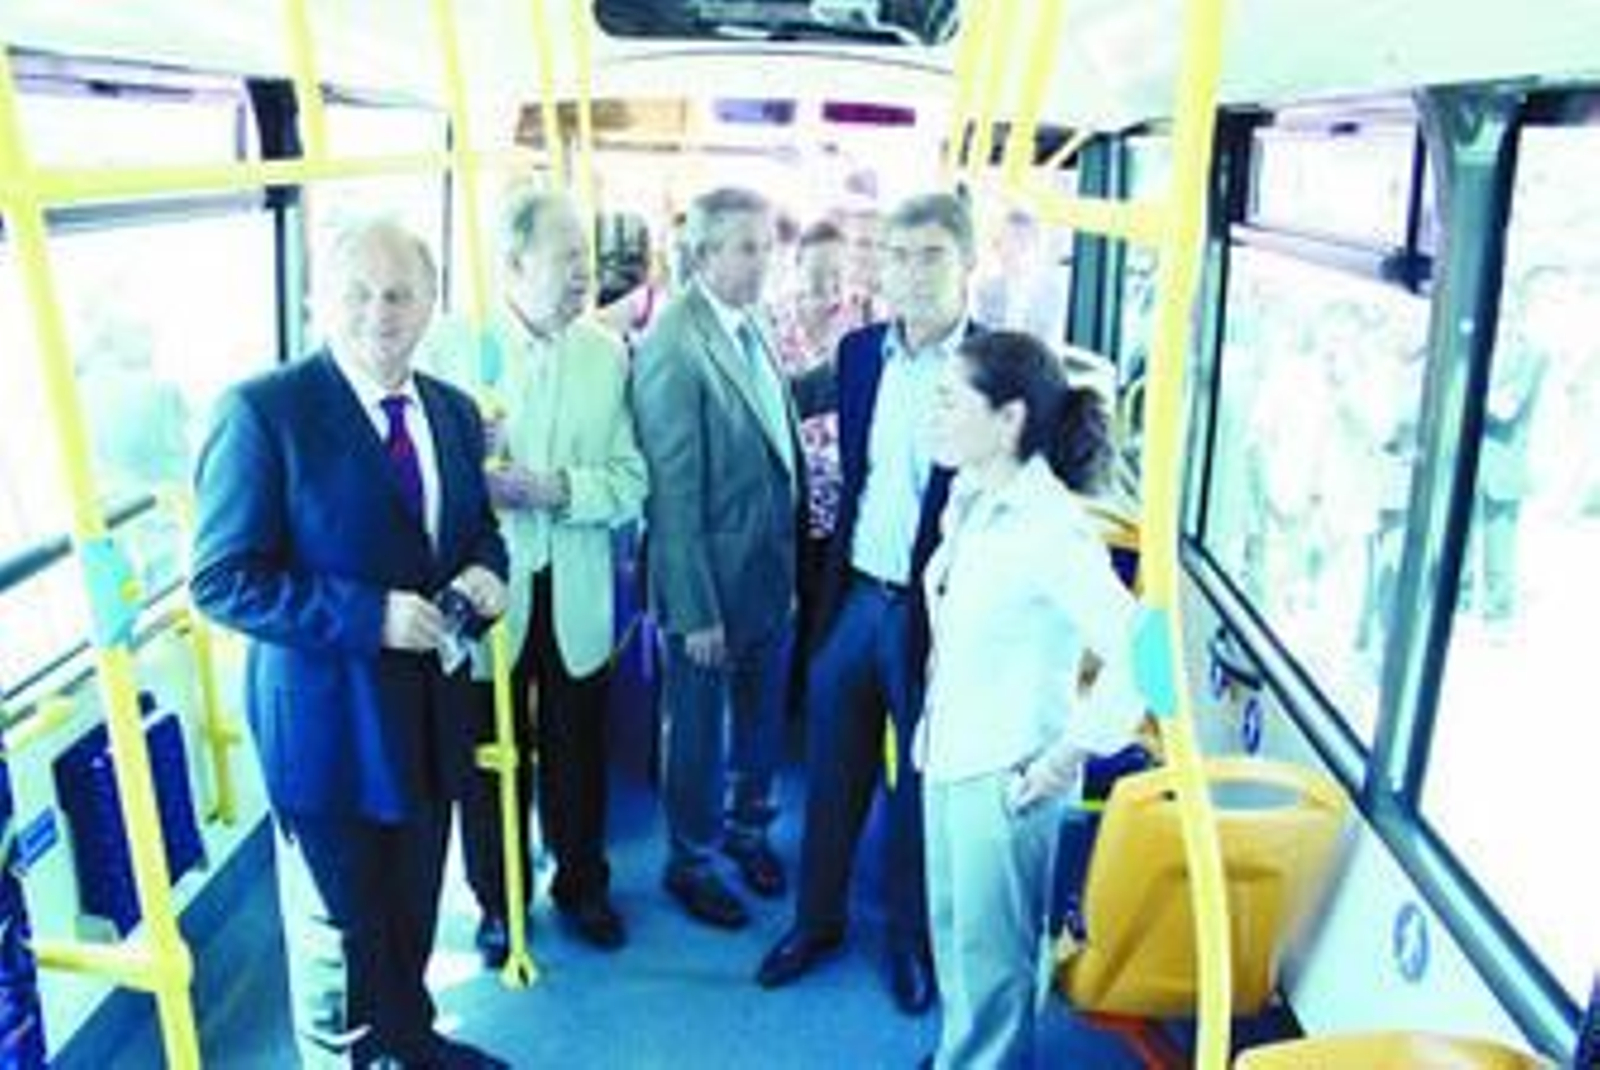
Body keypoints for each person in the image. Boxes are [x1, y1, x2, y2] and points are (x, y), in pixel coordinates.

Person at [190, 218, 510, 1069]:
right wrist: (369, 617)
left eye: (400, 293)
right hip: (329, 725)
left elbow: (476, 532)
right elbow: (222, 579)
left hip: (432, 711)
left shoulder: (450, 409)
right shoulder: (263, 413)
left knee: (412, 903)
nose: (380, 313)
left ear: (431, 302)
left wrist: (488, 574)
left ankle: (412, 1041)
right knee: (342, 932)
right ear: (316, 303)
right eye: (357, 294)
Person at [757, 192, 979, 1015]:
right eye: (897, 255)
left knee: (919, 791)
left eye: (931, 256)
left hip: (937, 617)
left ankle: (911, 943)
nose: (912, 274)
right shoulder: (858, 357)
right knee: (831, 775)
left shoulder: (999, 365)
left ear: (968, 265)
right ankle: (816, 923)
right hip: (854, 599)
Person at [423, 189, 648, 961]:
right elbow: (413, 479)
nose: (586, 276)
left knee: (580, 747)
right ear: (515, 264)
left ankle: (582, 884)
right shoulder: (451, 349)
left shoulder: (605, 354)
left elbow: (630, 480)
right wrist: (467, 466)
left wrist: (556, 489)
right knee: (489, 760)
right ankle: (498, 900)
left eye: (587, 260)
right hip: (489, 588)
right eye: (569, 260)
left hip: (575, 583)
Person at [918, 330, 1144, 1069]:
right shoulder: (971, 496)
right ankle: (964, 1055)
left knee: (996, 966)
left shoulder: (1053, 530)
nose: (936, 414)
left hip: (1005, 775)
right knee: (957, 942)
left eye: (951, 401)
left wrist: (1064, 757)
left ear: (1009, 419)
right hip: (948, 752)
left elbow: (1150, 656)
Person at [632, 186, 802, 930]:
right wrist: (694, 609)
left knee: (760, 723)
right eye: (746, 247)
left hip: (768, 575)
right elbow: (671, 493)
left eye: (768, 245)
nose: (763, 261)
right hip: (708, 586)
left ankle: (749, 830)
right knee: (698, 735)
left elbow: (769, 417)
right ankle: (690, 862)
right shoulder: (674, 344)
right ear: (702, 253)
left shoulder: (747, 322)